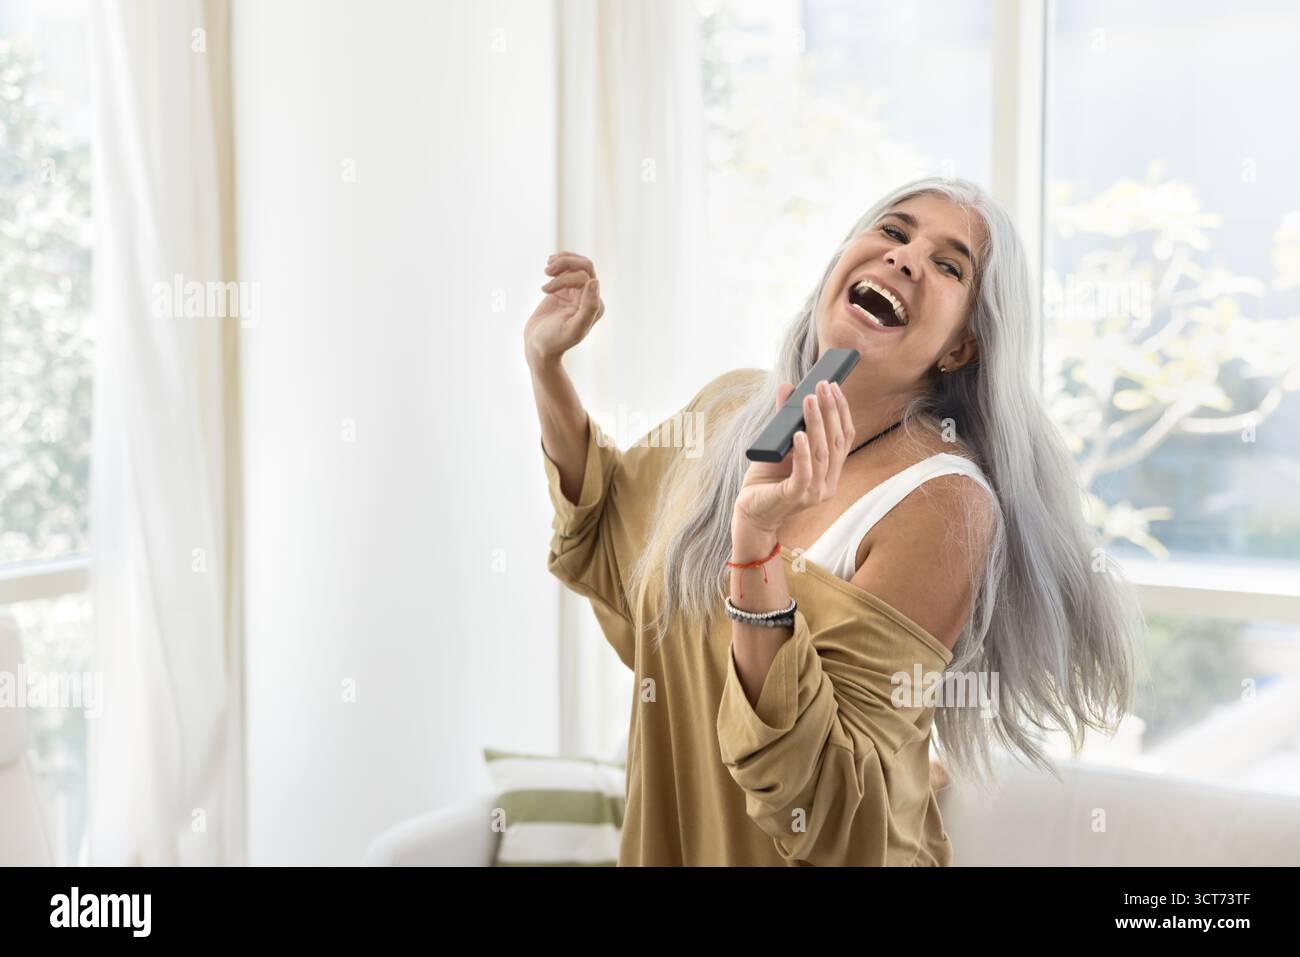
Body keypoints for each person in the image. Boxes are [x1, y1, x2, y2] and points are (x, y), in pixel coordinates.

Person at [524, 175, 1147, 866]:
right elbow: (612, 535)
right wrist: (546, 363)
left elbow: (821, 805)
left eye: (948, 265)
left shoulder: (942, 504)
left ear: (961, 347)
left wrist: (755, 551)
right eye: (893, 230)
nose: (906, 258)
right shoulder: (734, 410)